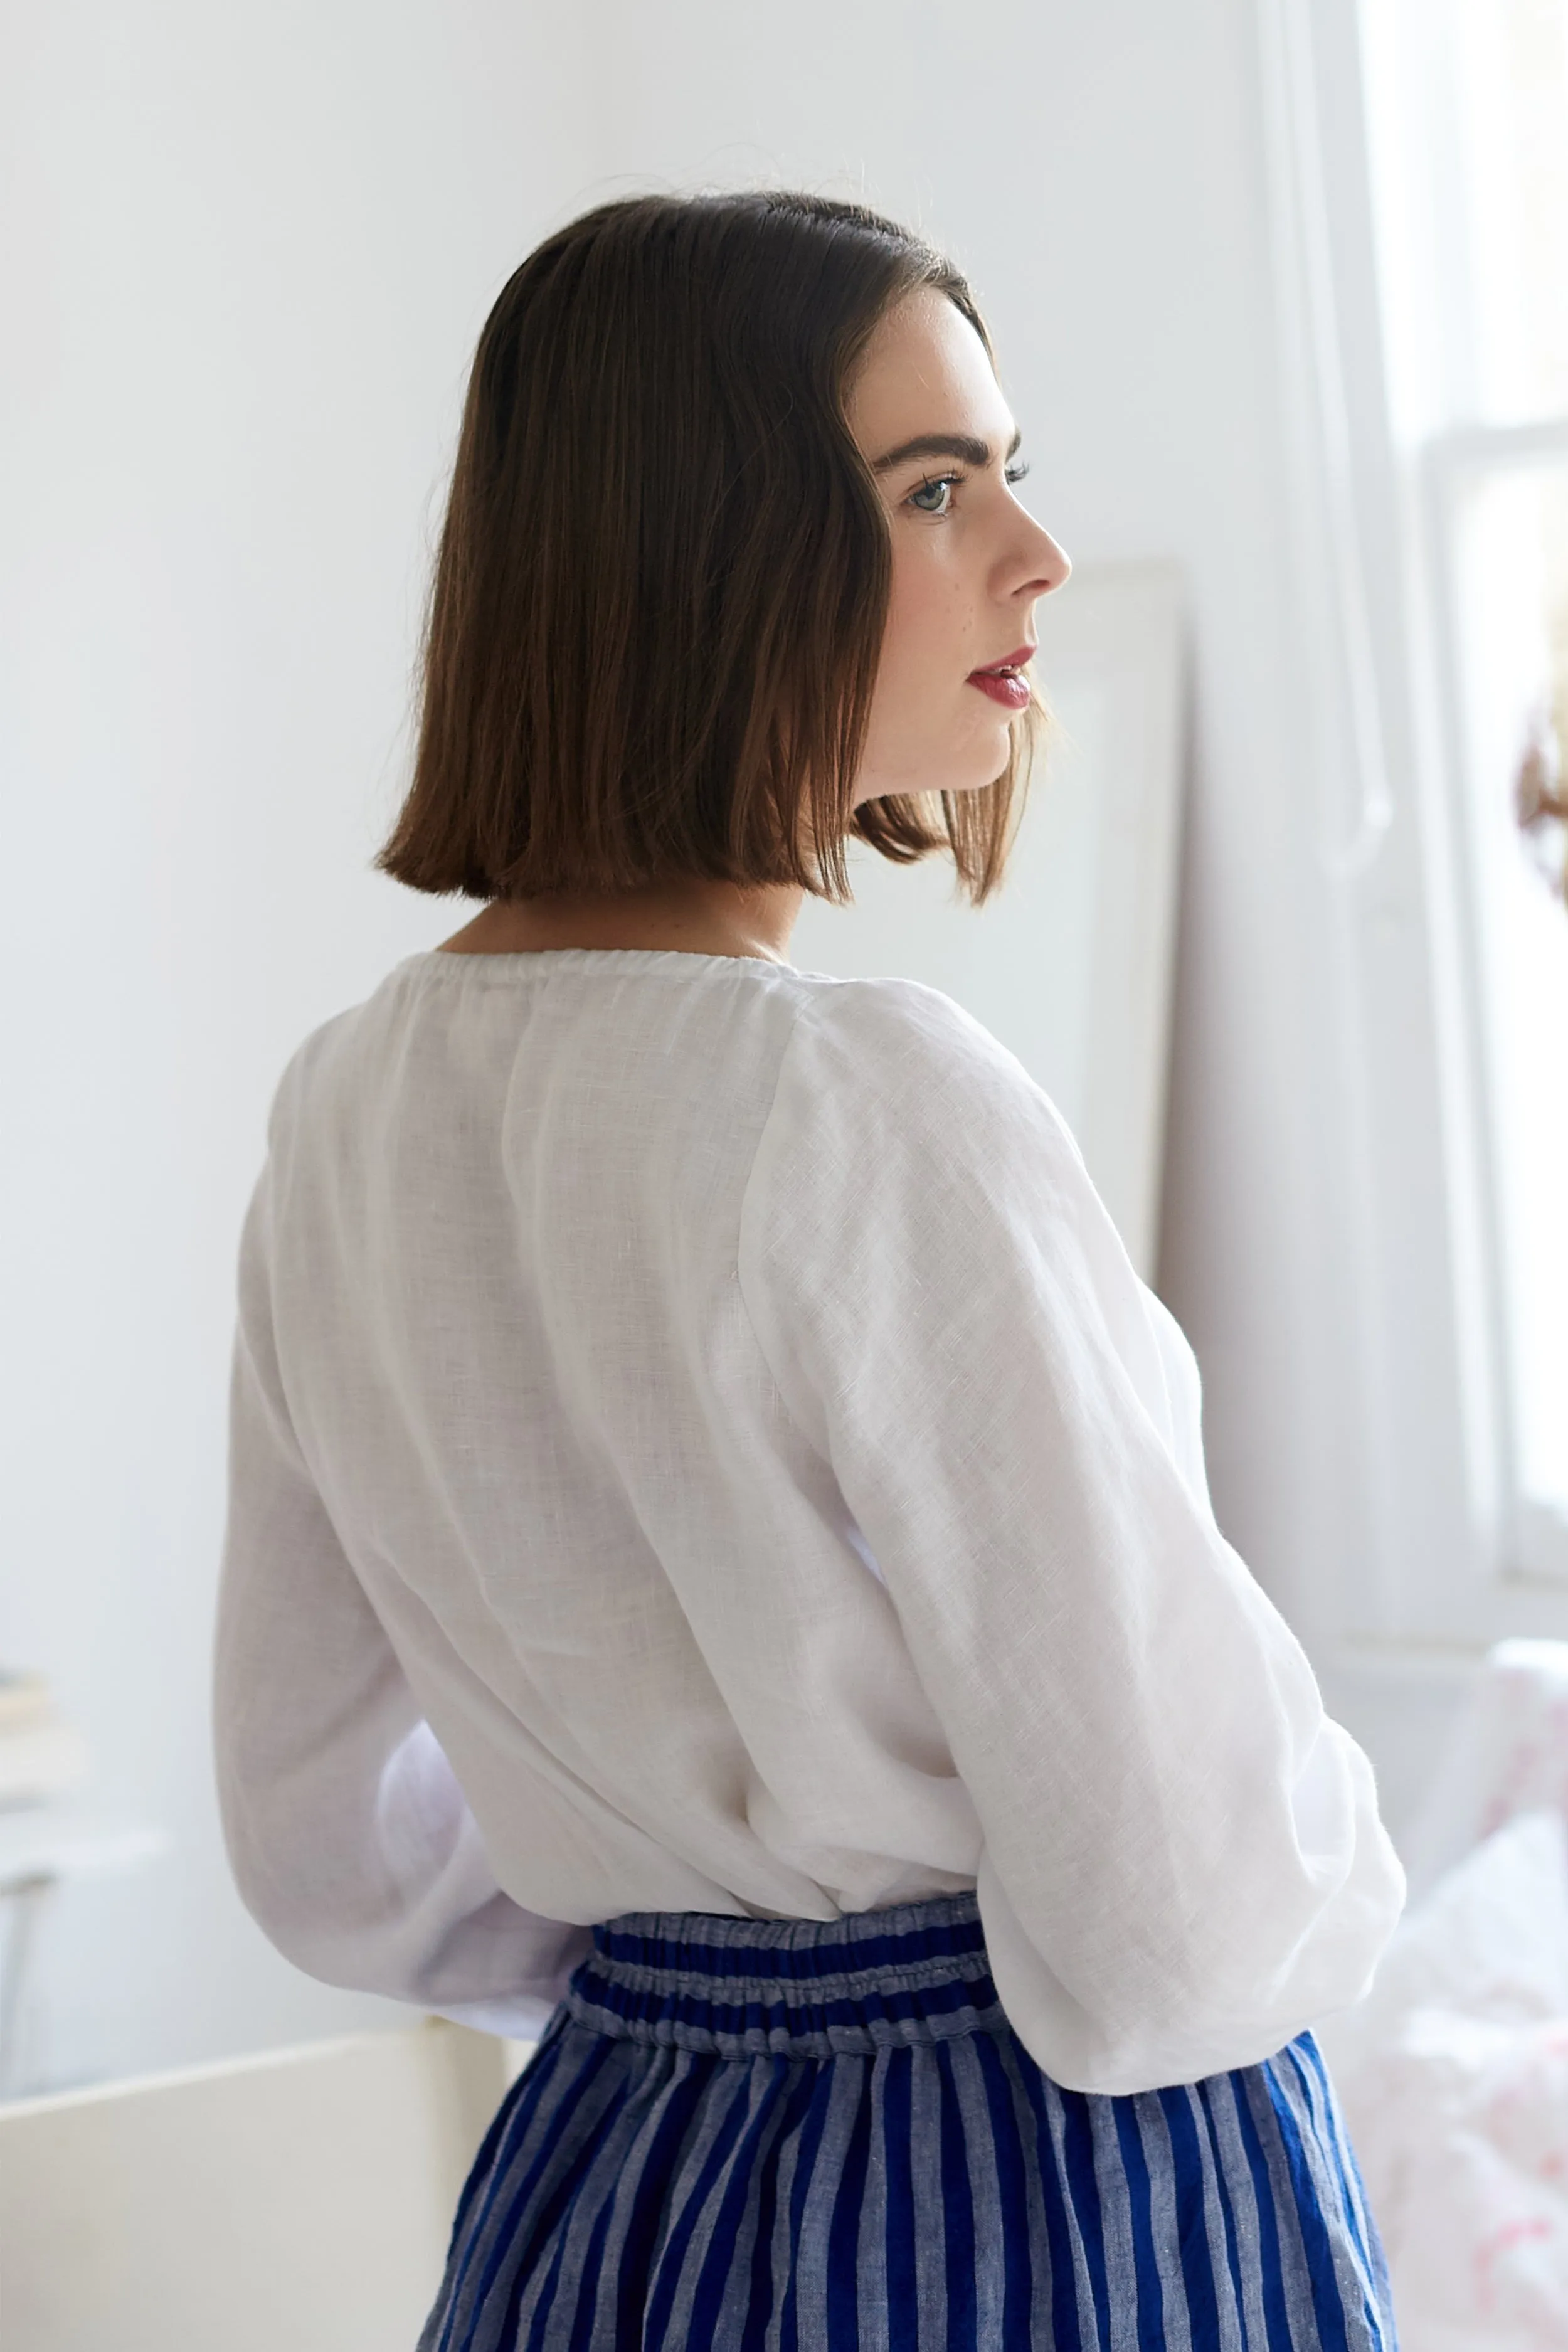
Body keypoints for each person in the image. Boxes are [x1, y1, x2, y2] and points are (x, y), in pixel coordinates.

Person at [213, 190, 1406, 2350]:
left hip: (609, 2183)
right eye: (936, 490)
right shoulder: (868, 1104)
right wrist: (1332, 1856)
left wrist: (687, 1937)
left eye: (1008, 474)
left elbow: (324, 1847)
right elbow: (1167, 1911)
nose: (1033, 556)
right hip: (1030, 2182)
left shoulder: (341, 1118)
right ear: (704, 548)